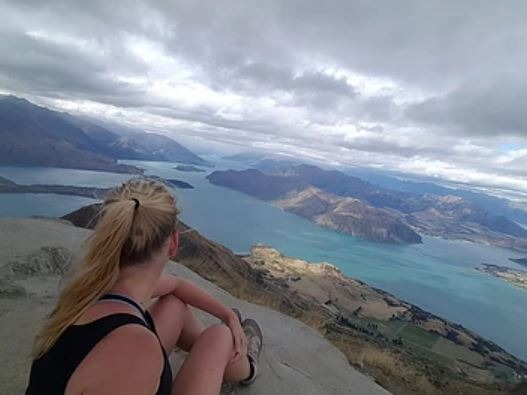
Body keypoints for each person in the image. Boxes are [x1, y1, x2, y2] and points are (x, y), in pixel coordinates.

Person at [25, 177, 263, 395]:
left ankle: (222, 358)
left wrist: (227, 314)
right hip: (127, 359)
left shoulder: (92, 287)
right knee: (219, 336)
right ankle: (245, 365)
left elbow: (177, 286)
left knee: (175, 304)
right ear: (174, 243)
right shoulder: (137, 346)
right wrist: (227, 326)